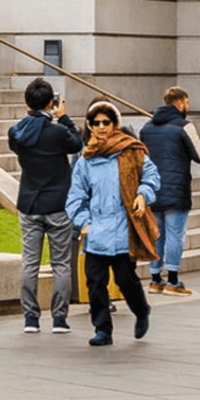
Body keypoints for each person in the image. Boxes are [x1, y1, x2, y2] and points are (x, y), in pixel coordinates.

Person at [67, 101, 160, 347]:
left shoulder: (132, 151)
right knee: (95, 283)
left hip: (122, 229)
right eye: (95, 123)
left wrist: (142, 194)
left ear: (114, 124)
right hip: (96, 232)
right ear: (89, 125)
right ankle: (102, 329)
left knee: (125, 280)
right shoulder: (85, 159)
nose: (100, 128)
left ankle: (142, 311)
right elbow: (75, 196)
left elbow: (152, 176)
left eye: (105, 123)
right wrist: (84, 223)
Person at [7, 77, 83, 333]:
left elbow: (25, 134)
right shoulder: (58, 132)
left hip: (30, 203)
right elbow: (78, 143)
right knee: (61, 263)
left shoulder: (16, 133)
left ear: (27, 102)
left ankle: (31, 318)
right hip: (59, 203)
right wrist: (63, 117)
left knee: (30, 262)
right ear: (52, 102)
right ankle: (59, 318)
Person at [140, 86, 200, 296]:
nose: (188, 106)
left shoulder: (147, 128)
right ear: (179, 103)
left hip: (153, 189)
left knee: (157, 235)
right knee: (175, 235)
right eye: (187, 102)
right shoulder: (184, 126)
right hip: (177, 190)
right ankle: (173, 281)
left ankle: (155, 279)